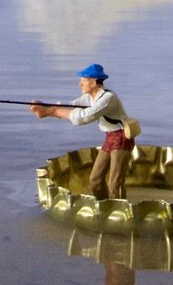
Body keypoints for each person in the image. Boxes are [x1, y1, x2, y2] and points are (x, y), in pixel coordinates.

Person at [30, 63, 135, 200]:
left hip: (121, 139)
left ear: (93, 82)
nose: (80, 84)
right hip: (110, 138)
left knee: (115, 181)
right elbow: (72, 107)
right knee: (95, 179)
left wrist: (54, 111)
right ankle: (103, 205)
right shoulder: (90, 97)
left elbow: (84, 117)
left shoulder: (108, 99)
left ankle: (120, 210)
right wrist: (47, 108)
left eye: (83, 80)